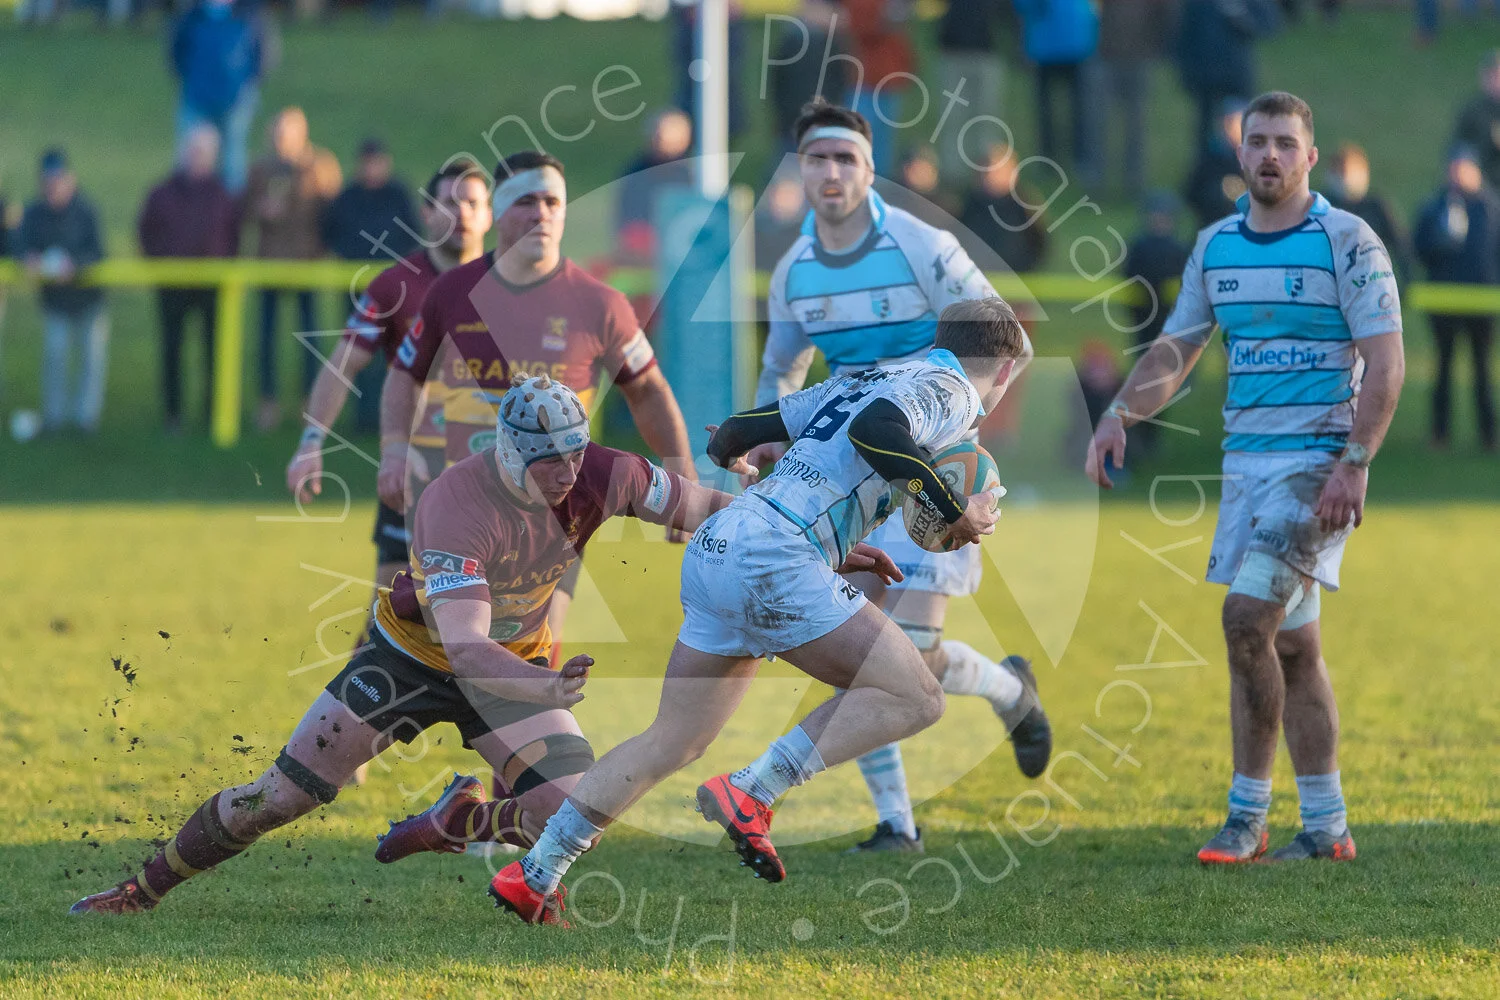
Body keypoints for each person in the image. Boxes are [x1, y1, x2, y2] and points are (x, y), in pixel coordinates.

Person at [66, 376, 732, 917]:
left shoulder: (608, 473)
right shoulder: (454, 504)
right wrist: (548, 687)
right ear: (510, 452)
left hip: (516, 665)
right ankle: (141, 890)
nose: (566, 473)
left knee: (572, 811)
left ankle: (457, 822)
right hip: (411, 660)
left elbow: (706, 508)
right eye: (548, 459)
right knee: (279, 798)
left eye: (575, 453)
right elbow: (465, 650)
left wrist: (782, 518)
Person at [493, 300, 1027, 923]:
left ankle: (536, 872)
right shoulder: (954, 392)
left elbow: (742, 429)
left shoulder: (878, 374)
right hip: (775, 556)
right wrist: (952, 507)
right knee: (918, 697)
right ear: (1005, 369)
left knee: (673, 738)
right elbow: (875, 432)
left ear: (941, 338)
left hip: (725, 543)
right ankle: (753, 790)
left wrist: (737, 457)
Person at [1086, 91, 1406, 864]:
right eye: (1257, 141)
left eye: (1285, 143)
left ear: (1310, 156)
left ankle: (1246, 816)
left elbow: (1388, 363)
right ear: (1239, 153)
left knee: (1244, 622)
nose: (1270, 155)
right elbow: (1176, 350)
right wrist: (1119, 413)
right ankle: (1327, 827)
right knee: (1293, 650)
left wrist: (1355, 463)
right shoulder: (1216, 246)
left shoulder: (1348, 240)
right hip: (1245, 470)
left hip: (1317, 466)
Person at [747, 103, 1049, 854]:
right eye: (817, 159)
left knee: (910, 645)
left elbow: (1007, 339)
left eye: (845, 158)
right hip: (849, 485)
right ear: (800, 170)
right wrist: (765, 443)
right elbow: (782, 368)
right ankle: (898, 821)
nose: (831, 172)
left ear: (869, 167)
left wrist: (968, 432)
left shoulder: (921, 244)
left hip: (928, 470)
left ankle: (1010, 693)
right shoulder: (794, 271)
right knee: (858, 650)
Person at [377, 150, 695, 708]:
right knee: (415, 641)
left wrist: (681, 474)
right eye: (526, 201)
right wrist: (394, 449)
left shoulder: (599, 302)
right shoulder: (453, 292)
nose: (542, 213)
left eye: (553, 202)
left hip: (553, 519)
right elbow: (405, 375)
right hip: (460, 510)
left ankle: (529, 764)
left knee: (535, 658)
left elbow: (647, 390)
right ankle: (361, 727)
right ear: (499, 210)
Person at [287, 157, 492, 636]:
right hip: (415, 471)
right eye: (450, 202)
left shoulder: (513, 287)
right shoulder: (395, 286)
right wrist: (311, 442)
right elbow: (343, 364)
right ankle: (358, 686)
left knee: (502, 617)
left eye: (472, 203)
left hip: (492, 473)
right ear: (427, 212)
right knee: (394, 613)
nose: (461, 213)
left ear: (489, 215)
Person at [245, 107, 342, 431]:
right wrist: (261, 210)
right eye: (277, 135)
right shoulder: (260, 168)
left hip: (306, 263)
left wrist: (322, 250)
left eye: (287, 135)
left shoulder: (321, 165)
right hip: (270, 261)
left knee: (310, 336)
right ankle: (268, 402)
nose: (281, 141)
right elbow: (243, 209)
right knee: (266, 338)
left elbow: (333, 211)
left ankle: (310, 403)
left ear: (302, 135)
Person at [138, 124, 240, 434]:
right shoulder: (162, 193)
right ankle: (173, 414)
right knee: (172, 349)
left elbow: (233, 236)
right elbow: (146, 232)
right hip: (172, 286)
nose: (197, 158)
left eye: (203, 152)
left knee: (214, 350)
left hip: (212, 286)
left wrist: (223, 268)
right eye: (193, 151)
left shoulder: (222, 194)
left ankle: (213, 412)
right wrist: (160, 265)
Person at [321, 137, 419, 432]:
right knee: (358, 353)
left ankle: (393, 416)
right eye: (367, 162)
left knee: (394, 353)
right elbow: (331, 234)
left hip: (393, 290)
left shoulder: (398, 195)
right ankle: (363, 417)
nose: (371, 168)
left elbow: (413, 236)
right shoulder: (347, 197)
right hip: (356, 288)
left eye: (376, 162)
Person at [1413, 147, 1499, 452]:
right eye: (1454, 169)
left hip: (1483, 302)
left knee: (1482, 369)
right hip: (1444, 301)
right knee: (1443, 367)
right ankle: (1440, 434)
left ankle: (1489, 436)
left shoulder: (1491, 208)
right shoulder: (1434, 207)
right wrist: (1441, 240)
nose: (1458, 175)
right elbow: (1419, 247)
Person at [19, 148, 108, 435]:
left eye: (57, 181)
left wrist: (75, 265)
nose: (53, 187)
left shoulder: (86, 211)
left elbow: (98, 252)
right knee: (55, 357)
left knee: (91, 360)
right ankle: (54, 418)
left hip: (88, 299)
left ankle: (86, 419)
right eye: (48, 182)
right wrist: (28, 258)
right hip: (56, 301)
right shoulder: (33, 213)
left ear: (70, 179)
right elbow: (19, 244)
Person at [169, 0, 273, 194]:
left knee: (232, 160)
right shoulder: (192, 16)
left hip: (235, 100)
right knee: (190, 156)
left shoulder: (247, 15)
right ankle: (184, 204)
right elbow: (177, 52)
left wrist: (246, 85)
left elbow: (263, 54)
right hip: (196, 98)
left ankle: (230, 206)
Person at [1120, 191, 1190, 458]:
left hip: (1166, 328)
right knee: (1146, 380)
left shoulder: (1173, 249)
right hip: (1149, 327)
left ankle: (1149, 439)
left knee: (1158, 381)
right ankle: (1141, 438)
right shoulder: (1143, 247)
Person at [1013, 0, 1101, 190]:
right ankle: (1051, 161)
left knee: (1079, 111)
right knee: (1049, 112)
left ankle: (1077, 160)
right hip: (1050, 46)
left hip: (1074, 45)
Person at [1175, 0, 1278, 153]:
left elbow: (1267, 24)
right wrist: (1185, 71)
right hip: (1205, 76)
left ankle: (1236, 162)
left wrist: (1241, 16)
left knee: (1238, 130)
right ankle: (1209, 162)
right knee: (1207, 128)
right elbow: (1182, 33)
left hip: (1235, 77)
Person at [1097, 0, 1171, 199]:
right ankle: (1097, 180)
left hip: (1139, 56)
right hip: (1106, 54)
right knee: (1099, 123)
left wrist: (1157, 44)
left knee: (1135, 124)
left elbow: (1165, 14)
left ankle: (1133, 182)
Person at [933, 0, 1008, 188]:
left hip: (985, 51)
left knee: (986, 115)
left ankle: (986, 171)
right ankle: (953, 171)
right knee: (953, 115)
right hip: (954, 52)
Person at [841, 0, 917, 175]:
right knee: (859, 139)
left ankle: (879, 182)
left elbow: (901, 37)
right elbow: (857, 26)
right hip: (863, 80)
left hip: (889, 79)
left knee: (883, 143)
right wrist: (884, 16)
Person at [613, 110, 695, 266]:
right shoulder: (635, 174)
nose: (661, 141)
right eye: (657, 134)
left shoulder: (695, 175)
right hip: (644, 250)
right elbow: (627, 222)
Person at [1323, 144, 1411, 287]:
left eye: (1348, 171)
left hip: (1371, 284)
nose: (1344, 178)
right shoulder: (1323, 207)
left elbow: (1401, 245)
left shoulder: (1376, 207)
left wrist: (1406, 282)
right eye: (1339, 172)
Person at [958, 142, 1050, 274]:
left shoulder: (1025, 203)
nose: (990, 176)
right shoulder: (968, 204)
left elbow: (1040, 243)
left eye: (997, 170)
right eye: (986, 170)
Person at [1183, 97, 1248, 229]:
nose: (1232, 129)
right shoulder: (1210, 158)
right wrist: (1217, 194)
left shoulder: (1257, 159)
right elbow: (1192, 193)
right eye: (1228, 122)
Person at [1451, 50, 1500, 190]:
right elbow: (1458, 145)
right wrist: (1465, 164)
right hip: (1479, 182)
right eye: (1491, 76)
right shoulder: (1474, 110)